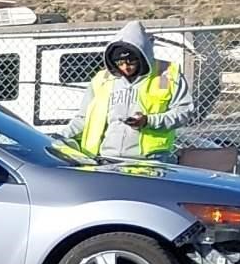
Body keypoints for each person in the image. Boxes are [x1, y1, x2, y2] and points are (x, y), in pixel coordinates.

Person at [69, 21, 194, 161]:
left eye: (131, 62)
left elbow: (184, 112)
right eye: (119, 63)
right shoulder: (101, 80)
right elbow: (82, 118)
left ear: (142, 56)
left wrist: (148, 121)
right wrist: (61, 137)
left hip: (150, 160)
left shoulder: (167, 74)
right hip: (106, 159)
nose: (125, 67)